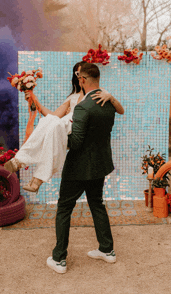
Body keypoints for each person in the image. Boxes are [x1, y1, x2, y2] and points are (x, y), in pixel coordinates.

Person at [4, 62, 124, 193]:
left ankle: (36, 175)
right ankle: (19, 161)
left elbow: (120, 110)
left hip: (78, 127)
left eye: (81, 74)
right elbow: (54, 116)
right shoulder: (73, 97)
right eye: (77, 74)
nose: (79, 77)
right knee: (47, 121)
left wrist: (111, 97)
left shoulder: (100, 93)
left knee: (53, 124)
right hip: (66, 124)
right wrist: (35, 100)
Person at [47, 63, 120, 274]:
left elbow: (76, 142)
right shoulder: (108, 103)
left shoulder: (82, 107)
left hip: (78, 168)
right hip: (100, 164)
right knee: (97, 203)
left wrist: (61, 135)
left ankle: (59, 259)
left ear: (82, 80)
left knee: (63, 209)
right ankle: (107, 250)